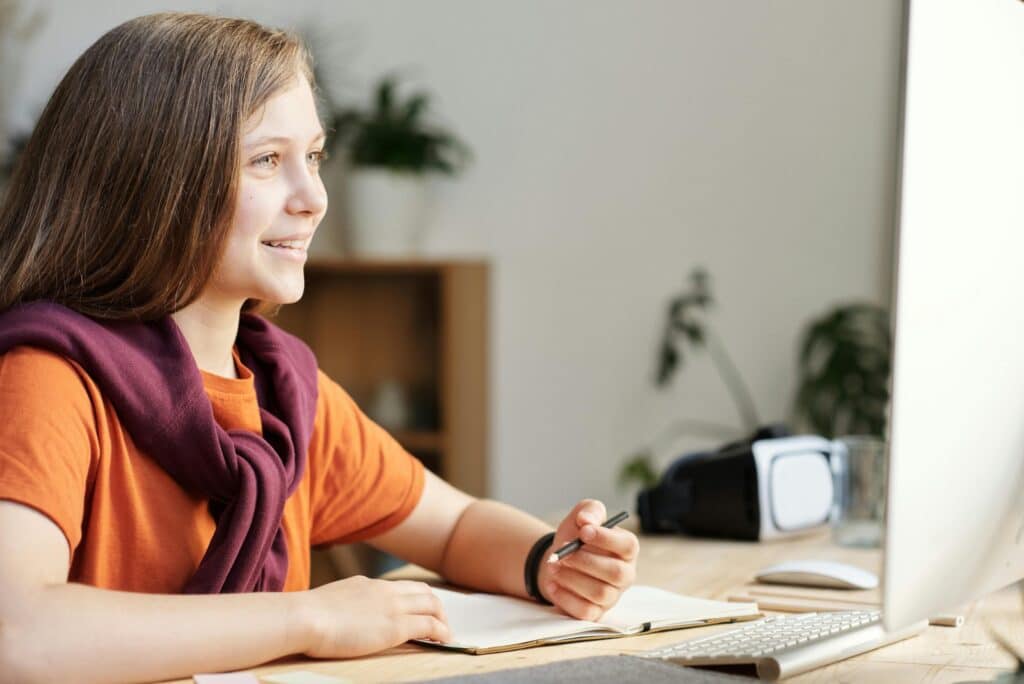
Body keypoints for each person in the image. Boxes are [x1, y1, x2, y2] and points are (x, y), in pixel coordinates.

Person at [0, 12, 639, 683]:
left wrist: (549, 562)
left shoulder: (284, 396)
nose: (314, 199)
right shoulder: (44, 382)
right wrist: (311, 619)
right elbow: (16, 633)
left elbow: (454, 528)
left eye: (314, 157)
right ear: (154, 180)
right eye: (267, 161)